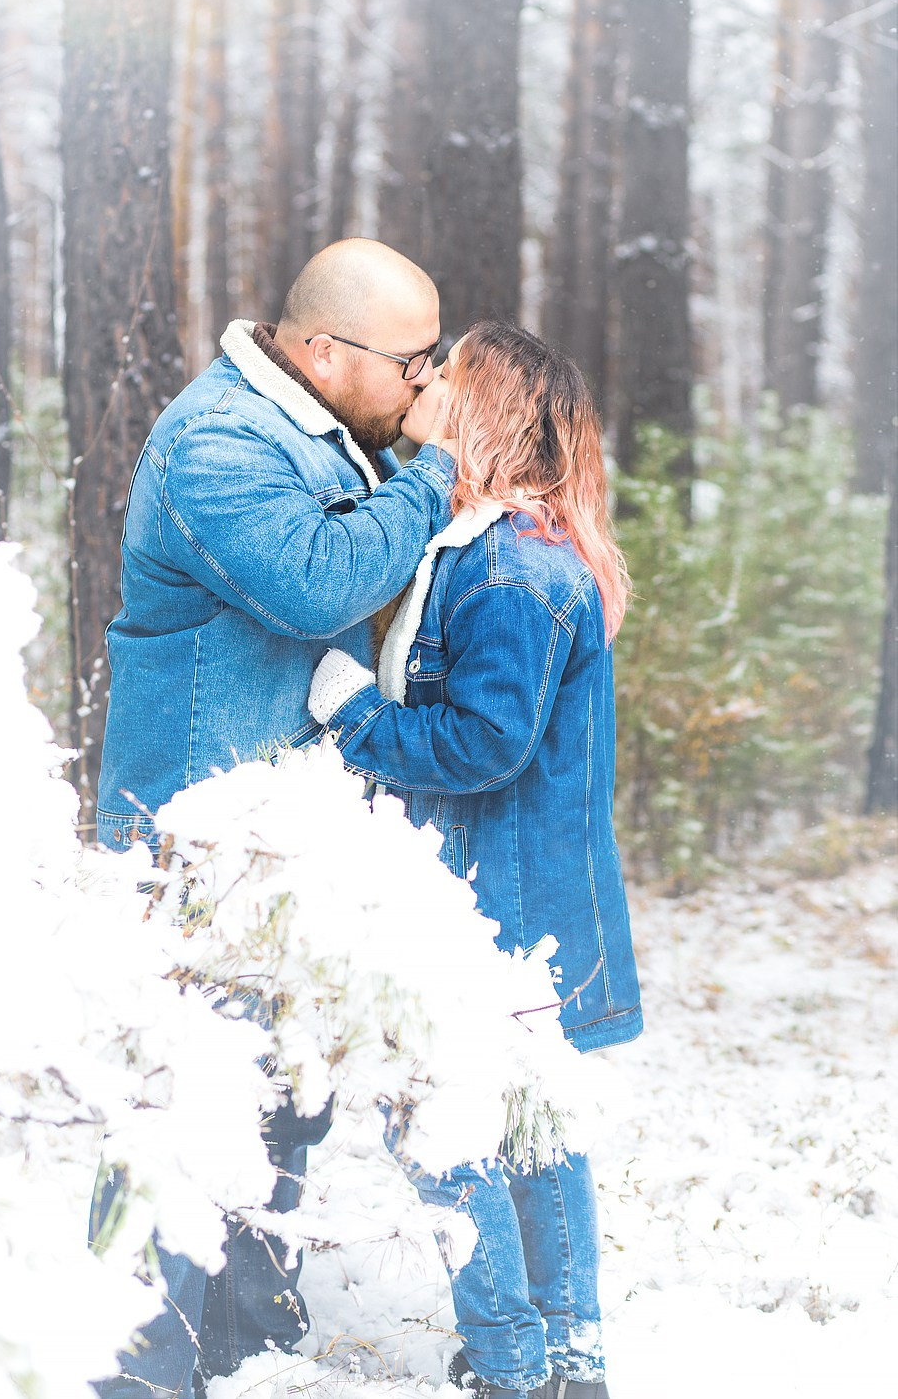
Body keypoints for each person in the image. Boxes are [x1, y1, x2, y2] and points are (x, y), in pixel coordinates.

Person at [91, 238, 457, 1397]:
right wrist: (437, 471)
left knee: (285, 1092)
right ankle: (134, 1365)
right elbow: (313, 579)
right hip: (194, 839)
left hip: (283, 835)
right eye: (413, 360)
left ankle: (248, 1343)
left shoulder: (315, 429)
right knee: (175, 1097)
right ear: (321, 351)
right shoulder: (219, 443)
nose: (426, 381)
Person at [308, 322, 643, 1399]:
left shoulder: (508, 568)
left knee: (444, 1122)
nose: (423, 375)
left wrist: (352, 713)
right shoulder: (505, 547)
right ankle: (563, 1362)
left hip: (488, 915)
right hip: (521, 906)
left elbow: (482, 746)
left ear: (481, 408)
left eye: (444, 369)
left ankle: (514, 1362)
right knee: (532, 1130)